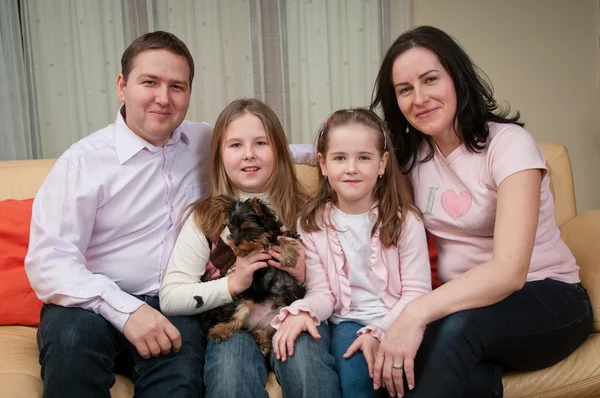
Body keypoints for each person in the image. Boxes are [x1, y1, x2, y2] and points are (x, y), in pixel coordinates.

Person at [25, 31, 314, 398]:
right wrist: (126, 311)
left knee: (180, 384)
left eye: (176, 86)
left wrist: (338, 151)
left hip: (175, 306)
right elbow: (49, 264)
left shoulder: (202, 141)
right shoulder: (82, 164)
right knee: (70, 343)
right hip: (91, 306)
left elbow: (263, 147)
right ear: (122, 86)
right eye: (150, 82)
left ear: (189, 94)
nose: (164, 98)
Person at [369, 25, 594, 398]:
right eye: (405, 89)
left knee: (456, 330)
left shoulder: (508, 146)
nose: (419, 97)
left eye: (430, 80)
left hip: (549, 299)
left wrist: (414, 313)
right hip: (465, 310)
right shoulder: (410, 158)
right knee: (404, 366)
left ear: (456, 78)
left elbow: (508, 273)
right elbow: (346, 150)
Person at [159, 98, 340, 398]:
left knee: (308, 360)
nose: (249, 155)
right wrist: (231, 284)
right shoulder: (206, 218)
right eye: (235, 146)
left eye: (261, 143)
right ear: (218, 156)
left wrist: (305, 274)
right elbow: (170, 298)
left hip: (293, 313)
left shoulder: (307, 210)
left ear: (280, 151)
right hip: (235, 321)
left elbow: (341, 283)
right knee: (230, 367)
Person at [270, 108, 432, 398]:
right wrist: (302, 311)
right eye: (340, 158)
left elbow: (416, 293)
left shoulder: (405, 220)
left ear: (382, 164)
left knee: (382, 383)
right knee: (348, 381)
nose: (351, 168)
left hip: (398, 320)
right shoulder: (313, 222)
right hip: (346, 322)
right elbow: (324, 292)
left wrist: (380, 330)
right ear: (322, 164)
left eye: (364, 157)